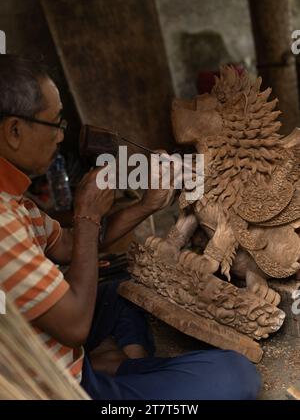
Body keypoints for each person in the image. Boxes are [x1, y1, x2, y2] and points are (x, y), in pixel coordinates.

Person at [0, 55, 260, 400]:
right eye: (55, 124)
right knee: (236, 376)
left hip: (56, 344)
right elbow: (76, 326)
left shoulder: (15, 198)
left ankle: (120, 369)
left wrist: (146, 205)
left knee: (126, 287)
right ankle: (117, 382)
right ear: (14, 131)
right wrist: (88, 214)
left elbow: (72, 245)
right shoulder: (3, 221)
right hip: (53, 385)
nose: (61, 137)